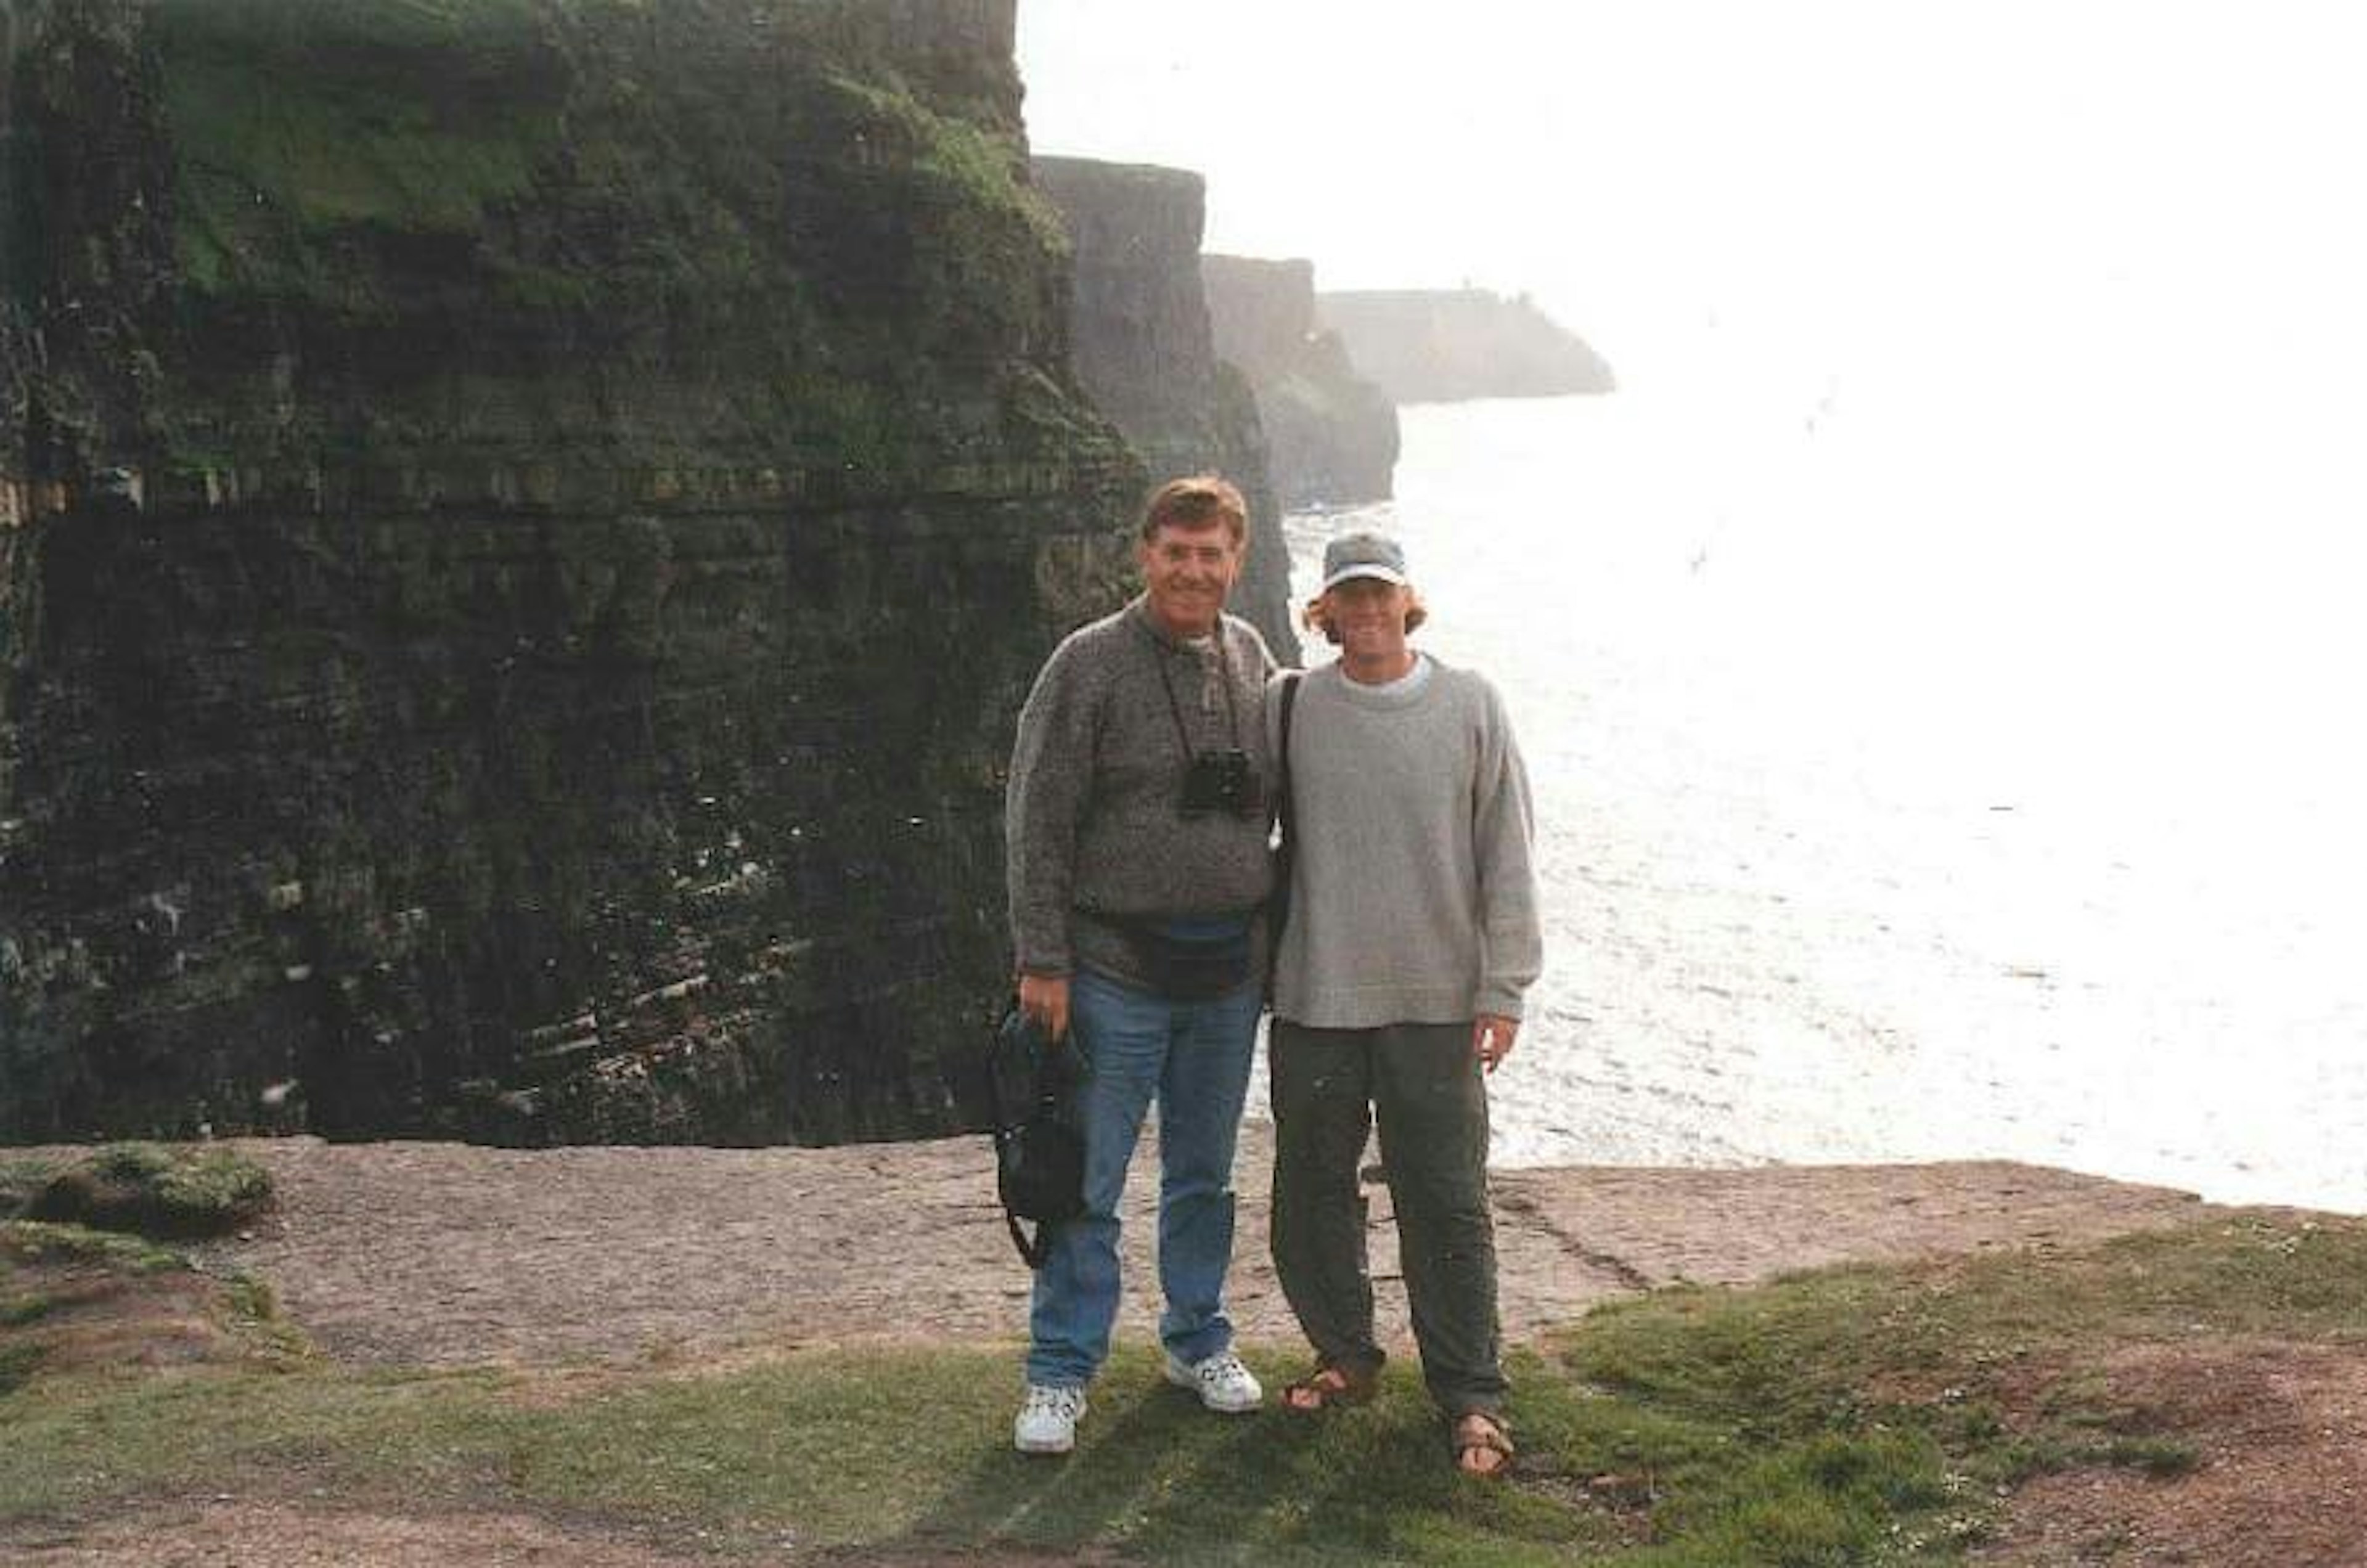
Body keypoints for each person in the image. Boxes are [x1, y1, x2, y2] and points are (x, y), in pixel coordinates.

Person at [1003, 475, 1277, 1455]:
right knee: (1087, 1179)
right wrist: (1042, 960)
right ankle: (1060, 1372)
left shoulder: (1251, 658)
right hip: (1114, 968)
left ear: (1235, 561)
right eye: (1176, 552)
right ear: (1145, 555)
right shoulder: (1089, 664)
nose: (1193, 571)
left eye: (1212, 555)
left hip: (1227, 979)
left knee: (1204, 1176)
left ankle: (1197, 1340)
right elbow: (1038, 816)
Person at [1265, 528, 1542, 1477]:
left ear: (1408, 601)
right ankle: (1345, 1355)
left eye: (1383, 593)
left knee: (1447, 1204)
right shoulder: (1290, 705)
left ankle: (1471, 1396)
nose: (1368, 610)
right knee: (1309, 1193)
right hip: (1314, 995)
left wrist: (1504, 987)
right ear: (1326, 610)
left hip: (1438, 1002)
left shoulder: (1469, 703)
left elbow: (1507, 851)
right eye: (1351, 596)